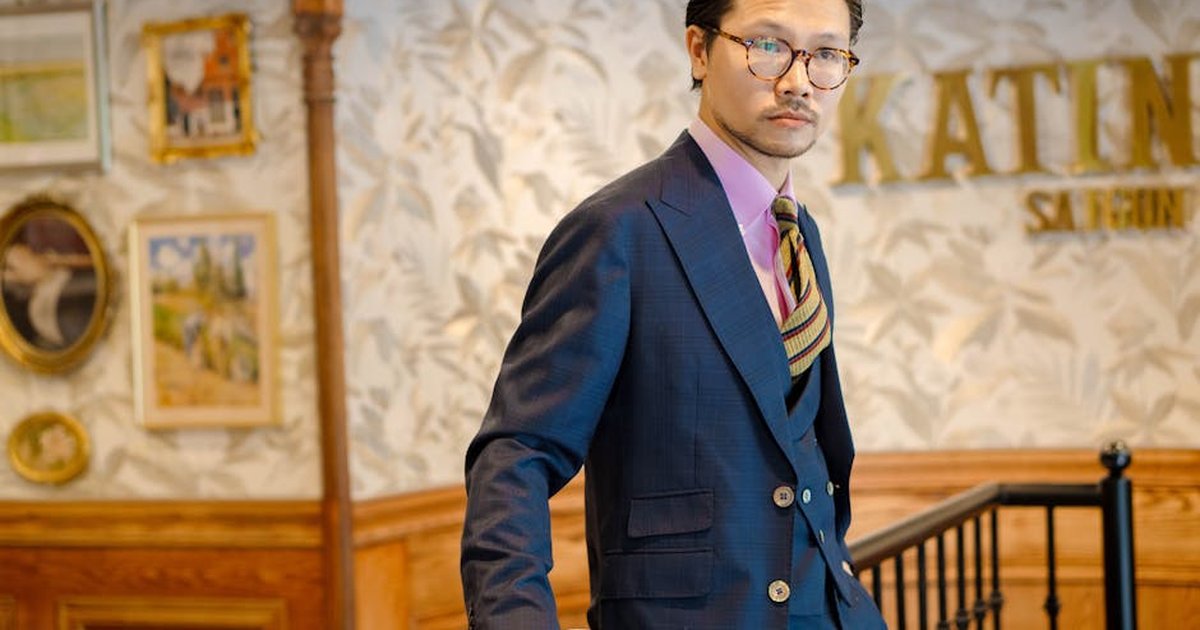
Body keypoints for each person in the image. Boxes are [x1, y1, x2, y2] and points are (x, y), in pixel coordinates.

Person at [460, 0, 886, 627]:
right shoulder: (618, 230)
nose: (798, 81)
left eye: (825, 53)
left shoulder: (801, 234)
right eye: (768, 46)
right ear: (698, 49)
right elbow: (516, 453)